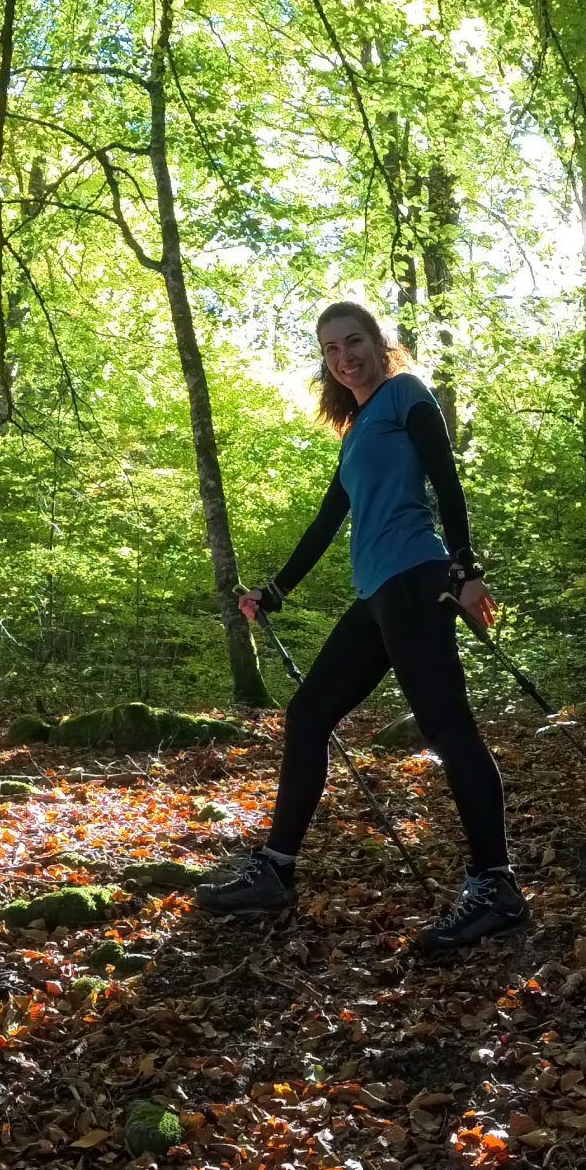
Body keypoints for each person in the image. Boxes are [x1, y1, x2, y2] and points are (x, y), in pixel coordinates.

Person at [194, 300, 527, 952]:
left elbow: (445, 475)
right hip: (376, 595)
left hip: (418, 579)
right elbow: (327, 520)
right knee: (308, 713)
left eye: (354, 341)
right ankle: (275, 870)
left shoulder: (407, 393)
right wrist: (276, 591)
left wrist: (465, 568)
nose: (344, 357)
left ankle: (496, 885)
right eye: (330, 349)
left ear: (380, 342)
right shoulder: (357, 431)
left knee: (447, 725)